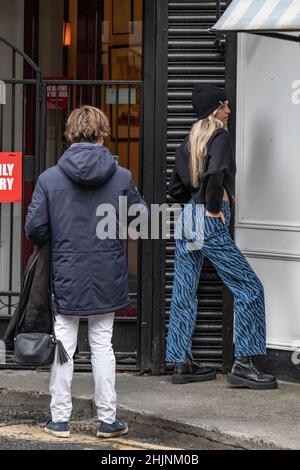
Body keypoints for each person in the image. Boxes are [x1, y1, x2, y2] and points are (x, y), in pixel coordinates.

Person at [25, 105, 147, 438]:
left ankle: (59, 419)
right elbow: (141, 218)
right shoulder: (121, 176)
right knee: (102, 346)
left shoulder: (50, 178)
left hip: (66, 272)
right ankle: (108, 420)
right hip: (107, 271)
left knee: (64, 344)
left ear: (71, 133)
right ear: (102, 132)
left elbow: (34, 227)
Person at [166, 84, 278, 390]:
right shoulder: (220, 137)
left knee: (184, 292)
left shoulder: (190, 140)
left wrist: (197, 200)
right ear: (215, 109)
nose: (229, 110)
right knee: (250, 288)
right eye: (225, 105)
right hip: (207, 219)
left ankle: (181, 363)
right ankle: (243, 364)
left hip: (188, 218)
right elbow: (216, 173)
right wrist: (214, 206)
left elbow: (174, 189)